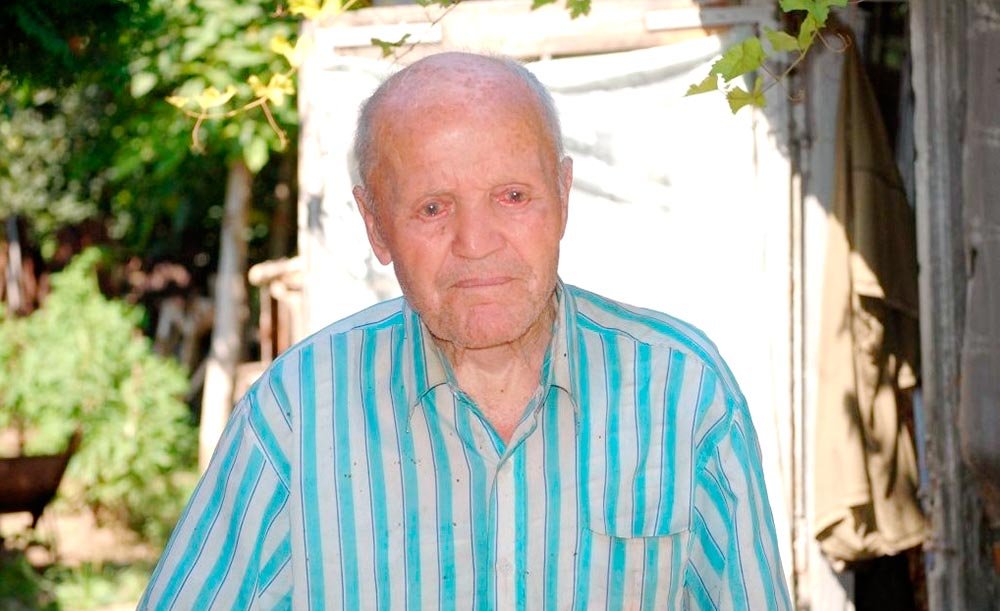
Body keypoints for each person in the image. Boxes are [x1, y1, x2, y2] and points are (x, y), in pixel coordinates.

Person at [140, 52, 791, 610]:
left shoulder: (684, 392)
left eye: (512, 196)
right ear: (375, 224)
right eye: (433, 207)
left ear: (563, 194)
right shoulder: (297, 412)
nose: (476, 243)